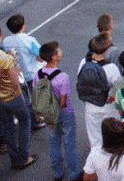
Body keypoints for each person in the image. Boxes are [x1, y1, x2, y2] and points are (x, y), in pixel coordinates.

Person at [33, 42, 80, 181]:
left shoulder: (38, 74)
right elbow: (63, 101)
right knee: (69, 143)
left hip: (48, 115)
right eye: (59, 51)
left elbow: (37, 95)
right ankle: (74, 173)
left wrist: (47, 116)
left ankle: (58, 172)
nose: (61, 52)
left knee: (54, 142)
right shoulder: (63, 76)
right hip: (64, 114)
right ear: (54, 57)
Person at [78, 32, 122, 149]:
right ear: (106, 49)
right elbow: (119, 89)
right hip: (108, 106)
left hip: (90, 106)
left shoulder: (83, 63)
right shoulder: (111, 68)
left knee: (95, 141)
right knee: (113, 138)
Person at [2, 14, 43, 130]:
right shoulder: (28, 40)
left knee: (25, 98)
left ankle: (28, 119)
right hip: (31, 73)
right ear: (23, 26)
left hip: (19, 75)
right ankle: (36, 121)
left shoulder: (6, 41)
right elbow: (40, 56)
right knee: (35, 98)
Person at [0, 47, 37, 170]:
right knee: (24, 122)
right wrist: (17, 71)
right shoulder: (5, 58)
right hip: (13, 97)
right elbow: (15, 82)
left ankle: (14, 158)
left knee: (8, 127)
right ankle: (23, 158)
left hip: (1, 99)